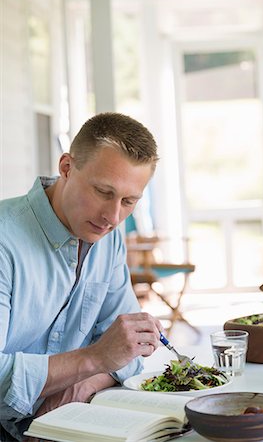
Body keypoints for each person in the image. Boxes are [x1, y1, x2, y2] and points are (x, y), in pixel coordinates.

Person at [0, 112, 163, 441]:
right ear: (66, 168)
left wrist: (77, 387)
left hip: (67, 424)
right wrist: (95, 357)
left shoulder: (109, 238)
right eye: (103, 192)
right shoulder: (5, 239)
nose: (113, 217)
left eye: (129, 202)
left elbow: (128, 351)